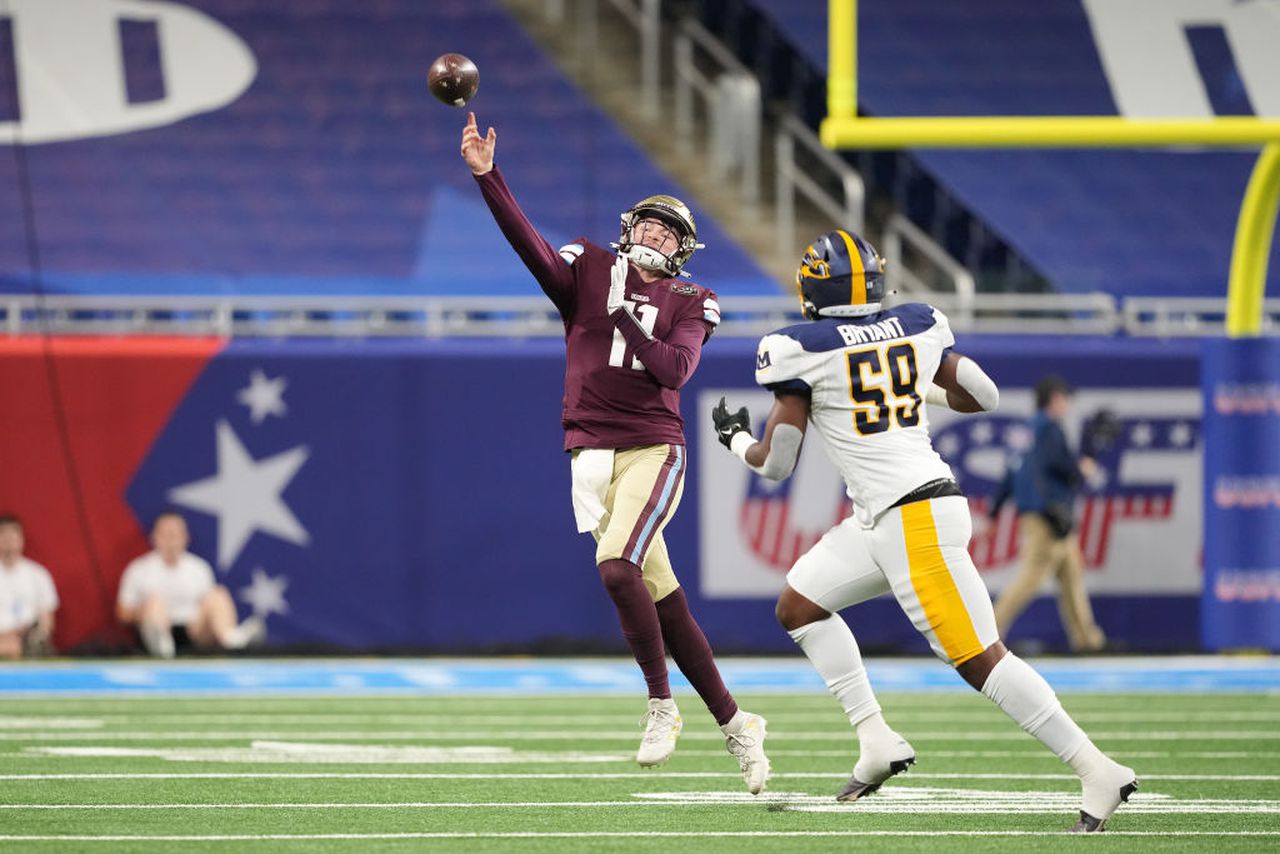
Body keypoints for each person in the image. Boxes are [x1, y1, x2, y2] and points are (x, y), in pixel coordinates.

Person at [712, 229, 1137, 831]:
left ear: (812, 290)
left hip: (909, 516)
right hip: (895, 512)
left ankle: (1097, 769)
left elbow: (777, 465)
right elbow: (984, 395)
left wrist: (734, 441)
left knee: (980, 659)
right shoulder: (915, 323)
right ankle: (876, 738)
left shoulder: (798, 348)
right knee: (800, 603)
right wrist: (908, 387)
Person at [461, 112, 770, 793]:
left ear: (684, 248)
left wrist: (629, 305)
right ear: (628, 227)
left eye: (669, 230)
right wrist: (489, 177)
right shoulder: (587, 262)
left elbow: (673, 372)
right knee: (662, 599)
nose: (655, 233)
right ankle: (737, 724)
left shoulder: (694, 299)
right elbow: (533, 252)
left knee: (614, 569)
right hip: (591, 453)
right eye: (648, 223)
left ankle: (661, 705)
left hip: (653, 449)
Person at [991, 376, 1107, 652]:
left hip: (1039, 516)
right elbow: (1065, 470)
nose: (1066, 403)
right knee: (1029, 579)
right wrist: (1085, 467)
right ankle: (988, 634)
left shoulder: (1024, 431)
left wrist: (995, 512)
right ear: (1054, 398)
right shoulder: (1050, 429)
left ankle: (1087, 640)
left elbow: (1010, 473)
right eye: (1064, 398)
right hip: (1049, 517)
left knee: (1071, 577)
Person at [117, 511, 263, 658]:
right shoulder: (138, 569)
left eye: (175, 534)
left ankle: (233, 640)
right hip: (156, 630)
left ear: (185, 537)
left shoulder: (199, 568)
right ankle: (162, 645)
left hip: (193, 632)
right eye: (166, 534)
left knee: (218, 595)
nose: (171, 540)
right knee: (155, 602)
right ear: (155, 537)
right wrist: (146, 610)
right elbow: (122, 613)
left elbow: (208, 606)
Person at [0, 515, 59, 659]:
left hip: (28, 642)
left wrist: (22, 638)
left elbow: (47, 622)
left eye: (13, 536)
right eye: (3, 536)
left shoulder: (38, 574)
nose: (8, 542)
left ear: (21, 540)